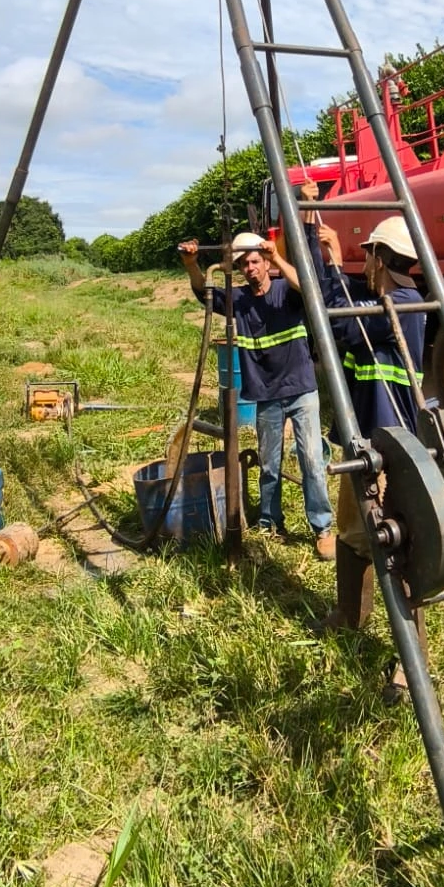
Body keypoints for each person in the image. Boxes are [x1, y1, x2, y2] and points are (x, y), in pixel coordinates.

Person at [177, 186, 334, 558]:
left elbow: (309, 287)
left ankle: (322, 528)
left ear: (264, 263)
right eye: (244, 264)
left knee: (312, 461)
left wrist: (277, 257)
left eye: (255, 262)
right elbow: (204, 294)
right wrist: (191, 265)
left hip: (300, 389)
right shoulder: (240, 301)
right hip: (265, 394)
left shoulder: (286, 291)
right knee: (269, 465)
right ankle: (269, 522)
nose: (250, 269)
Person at [315, 215, 428, 676]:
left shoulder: (402, 305)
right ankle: (349, 616)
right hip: (364, 438)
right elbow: (334, 298)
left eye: (368, 255)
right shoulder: (385, 298)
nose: (363, 263)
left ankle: (411, 663)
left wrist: (337, 262)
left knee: (395, 543)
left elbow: (339, 326)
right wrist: (322, 254)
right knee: (352, 531)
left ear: (381, 259)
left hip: (387, 446)